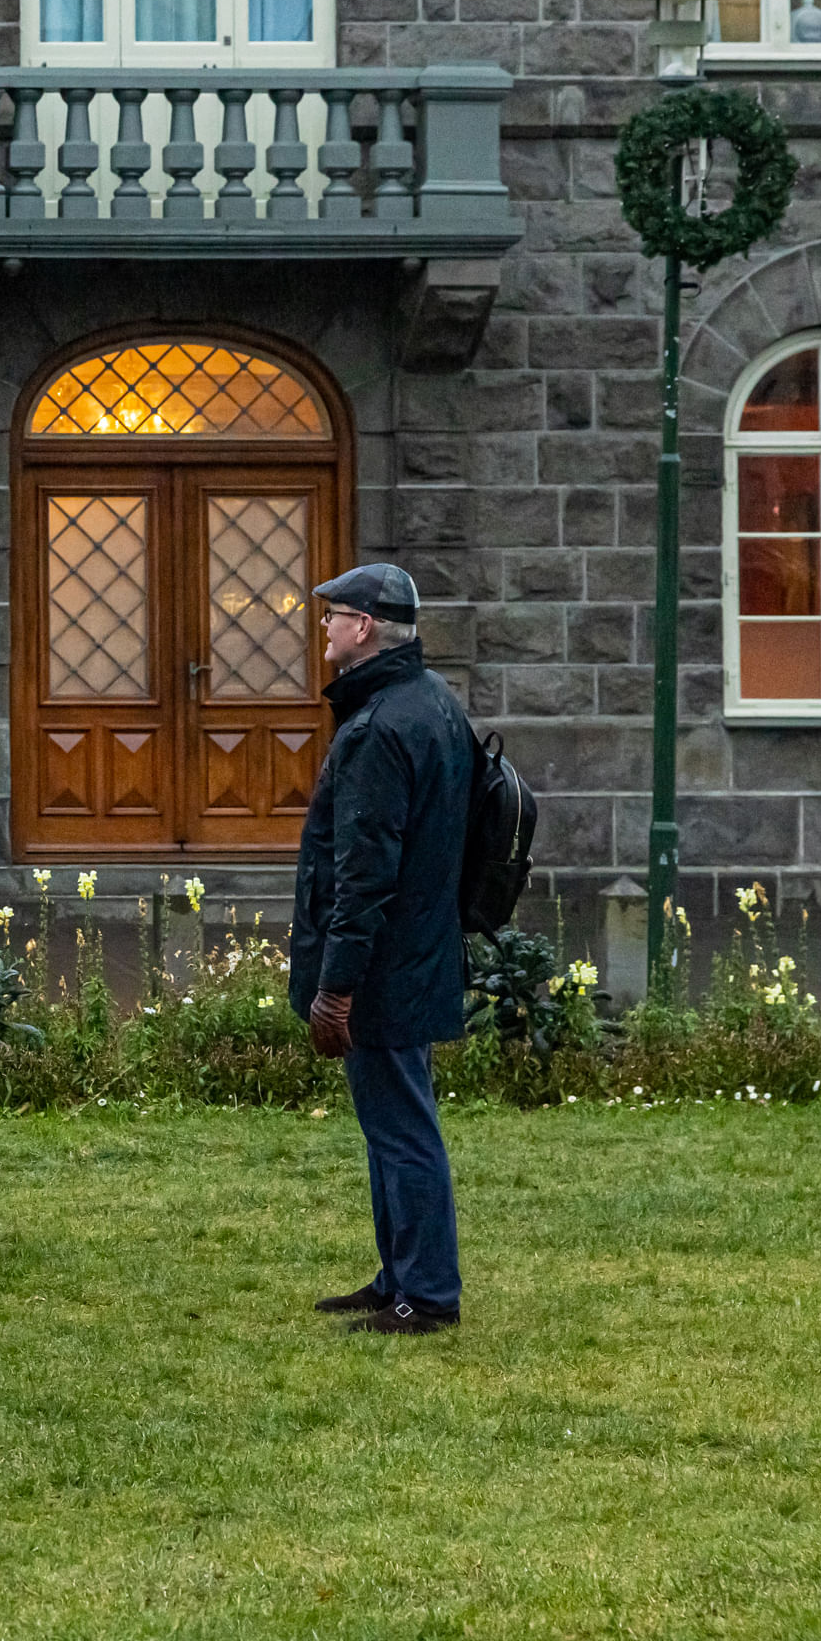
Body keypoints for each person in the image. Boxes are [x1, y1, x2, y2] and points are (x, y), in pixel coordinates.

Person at [291, 563, 476, 1335]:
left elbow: (360, 878)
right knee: (395, 1122)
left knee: (401, 1128)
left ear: (363, 627)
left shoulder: (377, 729)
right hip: (420, 950)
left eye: (331, 616)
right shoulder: (435, 705)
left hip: (384, 968)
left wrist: (336, 989)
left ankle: (424, 1292)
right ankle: (398, 1275)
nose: (324, 628)